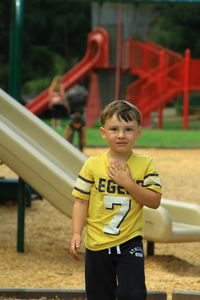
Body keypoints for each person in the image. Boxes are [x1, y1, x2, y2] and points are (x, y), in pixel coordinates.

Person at [70, 100, 162, 300]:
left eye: (128, 129)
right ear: (103, 133)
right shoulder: (92, 165)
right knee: (99, 295)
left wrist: (127, 183)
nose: (121, 135)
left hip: (130, 241)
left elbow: (154, 201)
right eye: (114, 129)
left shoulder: (146, 165)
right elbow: (80, 201)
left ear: (138, 133)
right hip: (97, 242)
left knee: (133, 294)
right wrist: (77, 233)